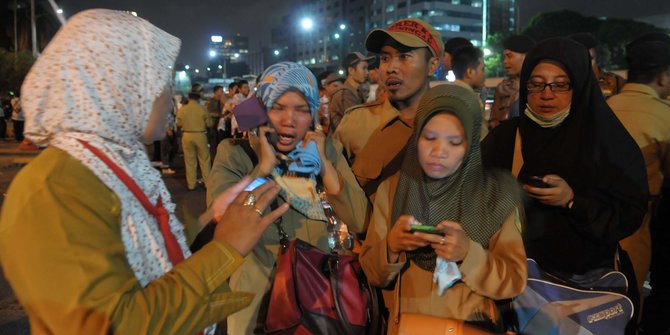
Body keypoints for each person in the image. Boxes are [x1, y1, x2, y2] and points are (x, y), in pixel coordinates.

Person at [0, 9, 289, 334]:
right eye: (156, 78)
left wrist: (213, 217)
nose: (167, 94)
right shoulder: (53, 187)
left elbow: (158, 254)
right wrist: (226, 249)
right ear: (114, 84)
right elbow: (111, 326)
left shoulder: (118, 162)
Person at [481, 37, 648, 313]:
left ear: (580, 86)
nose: (547, 94)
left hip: (584, 291)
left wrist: (572, 200)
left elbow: (628, 213)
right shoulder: (505, 138)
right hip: (512, 287)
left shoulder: (606, 141)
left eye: (560, 85)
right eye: (536, 84)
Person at [207, 61, 368, 334]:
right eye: (277, 108)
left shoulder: (327, 149)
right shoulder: (234, 153)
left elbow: (360, 219)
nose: (289, 120)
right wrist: (263, 168)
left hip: (322, 301)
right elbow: (222, 223)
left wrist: (326, 166)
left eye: (301, 110)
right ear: (261, 110)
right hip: (259, 304)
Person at [360, 84, 527, 334]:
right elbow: (372, 274)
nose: (438, 152)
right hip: (407, 327)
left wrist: (468, 253)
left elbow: (513, 280)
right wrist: (391, 247)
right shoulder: (393, 190)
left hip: (469, 327)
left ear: (469, 145)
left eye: (454, 142)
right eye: (429, 138)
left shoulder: (494, 196)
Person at [334, 18, 442, 199]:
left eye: (404, 56)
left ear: (432, 66)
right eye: (385, 58)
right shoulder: (355, 122)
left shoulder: (459, 126)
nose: (391, 68)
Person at [607, 34, 670, 334]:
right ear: (663, 76)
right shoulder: (663, 117)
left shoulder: (603, 108)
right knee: (629, 305)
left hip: (588, 222)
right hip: (637, 228)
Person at [488, 35, 535, 129]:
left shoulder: (538, 87)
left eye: (509, 56)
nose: (505, 61)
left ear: (526, 56)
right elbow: (493, 120)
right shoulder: (502, 88)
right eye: (504, 57)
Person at [329, 52, 374, 133]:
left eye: (367, 68)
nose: (367, 72)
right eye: (364, 68)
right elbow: (358, 125)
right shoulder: (345, 94)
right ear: (351, 70)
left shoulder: (356, 92)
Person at [570, 32, 626, 98]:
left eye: (590, 59)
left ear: (595, 55)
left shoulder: (617, 82)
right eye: (579, 60)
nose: (585, 64)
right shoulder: (564, 84)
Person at [177, 89, 212, 190]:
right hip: (200, 135)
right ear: (198, 98)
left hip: (187, 135)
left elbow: (178, 123)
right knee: (205, 160)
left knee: (189, 161)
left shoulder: (183, 109)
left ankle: (191, 185)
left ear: (189, 97)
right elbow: (209, 123)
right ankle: (207, 184)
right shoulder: (203, 108)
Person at [451, 45, 488, 140]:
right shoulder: (469, 100)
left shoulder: (449, 94)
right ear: (469, 72)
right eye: (482, 69)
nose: (484, 74)